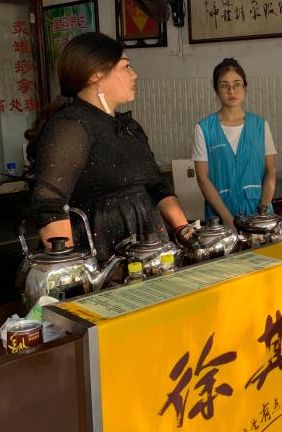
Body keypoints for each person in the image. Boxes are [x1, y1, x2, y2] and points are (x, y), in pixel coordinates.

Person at [25, 32, 188, 262]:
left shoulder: (128, 126)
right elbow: (49, 205)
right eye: (126, 66)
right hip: (100, 258)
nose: (134, 74)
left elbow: (158, 185)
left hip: (149, 252)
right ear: (96, 74)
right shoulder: (71, 126)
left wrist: (184, 230)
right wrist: (74, 269)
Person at [192, 58, 276, 225]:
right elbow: (202, 178)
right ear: (216, 90)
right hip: (220, 217)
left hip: (258, 214)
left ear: (245, 87)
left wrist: (264, 211)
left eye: (237, 84)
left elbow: (270, 172)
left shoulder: (260, 126)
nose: (231, 91)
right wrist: (227, 218)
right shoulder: (204, 129)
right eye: (224, 85)